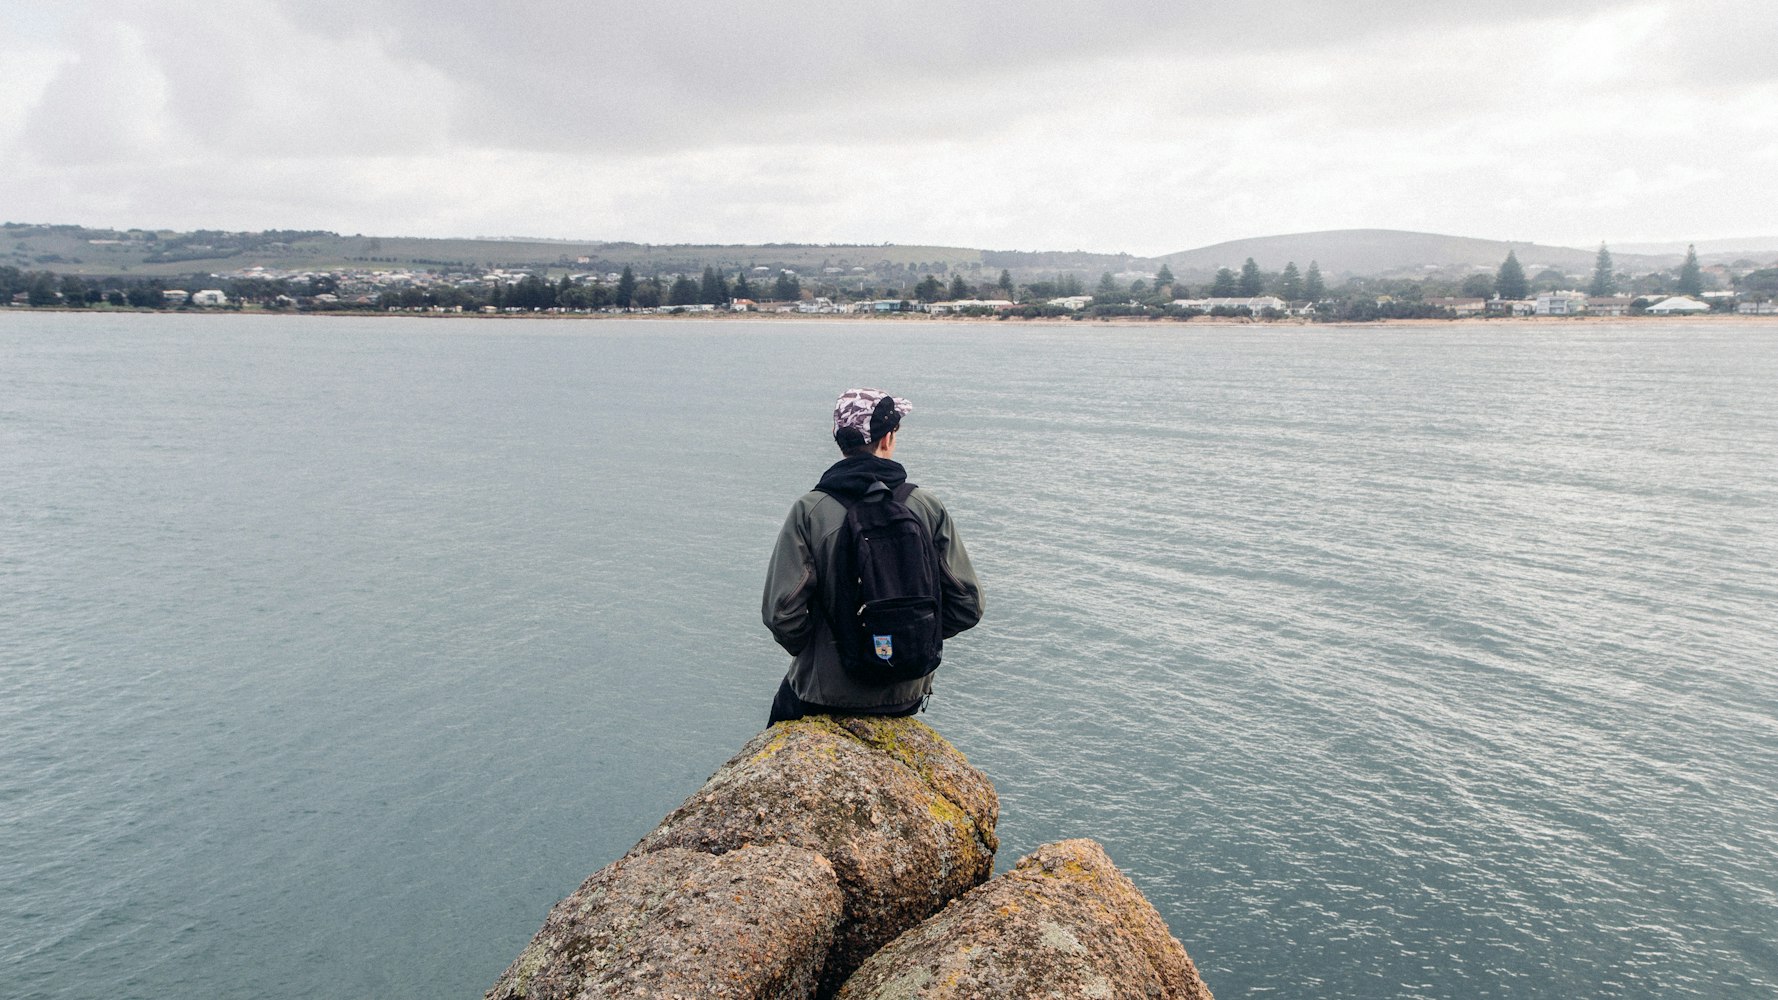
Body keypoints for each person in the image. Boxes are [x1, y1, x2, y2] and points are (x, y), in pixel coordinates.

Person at [761, 388, 984, 725]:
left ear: (841, 441)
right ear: (887, 439)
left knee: (777, 732)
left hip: (826, 694)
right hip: (906, 692)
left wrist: (823, 650)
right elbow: (968, 604)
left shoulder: (810, 511)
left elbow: (781, 614)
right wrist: (910, 637)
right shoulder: (926, 506)